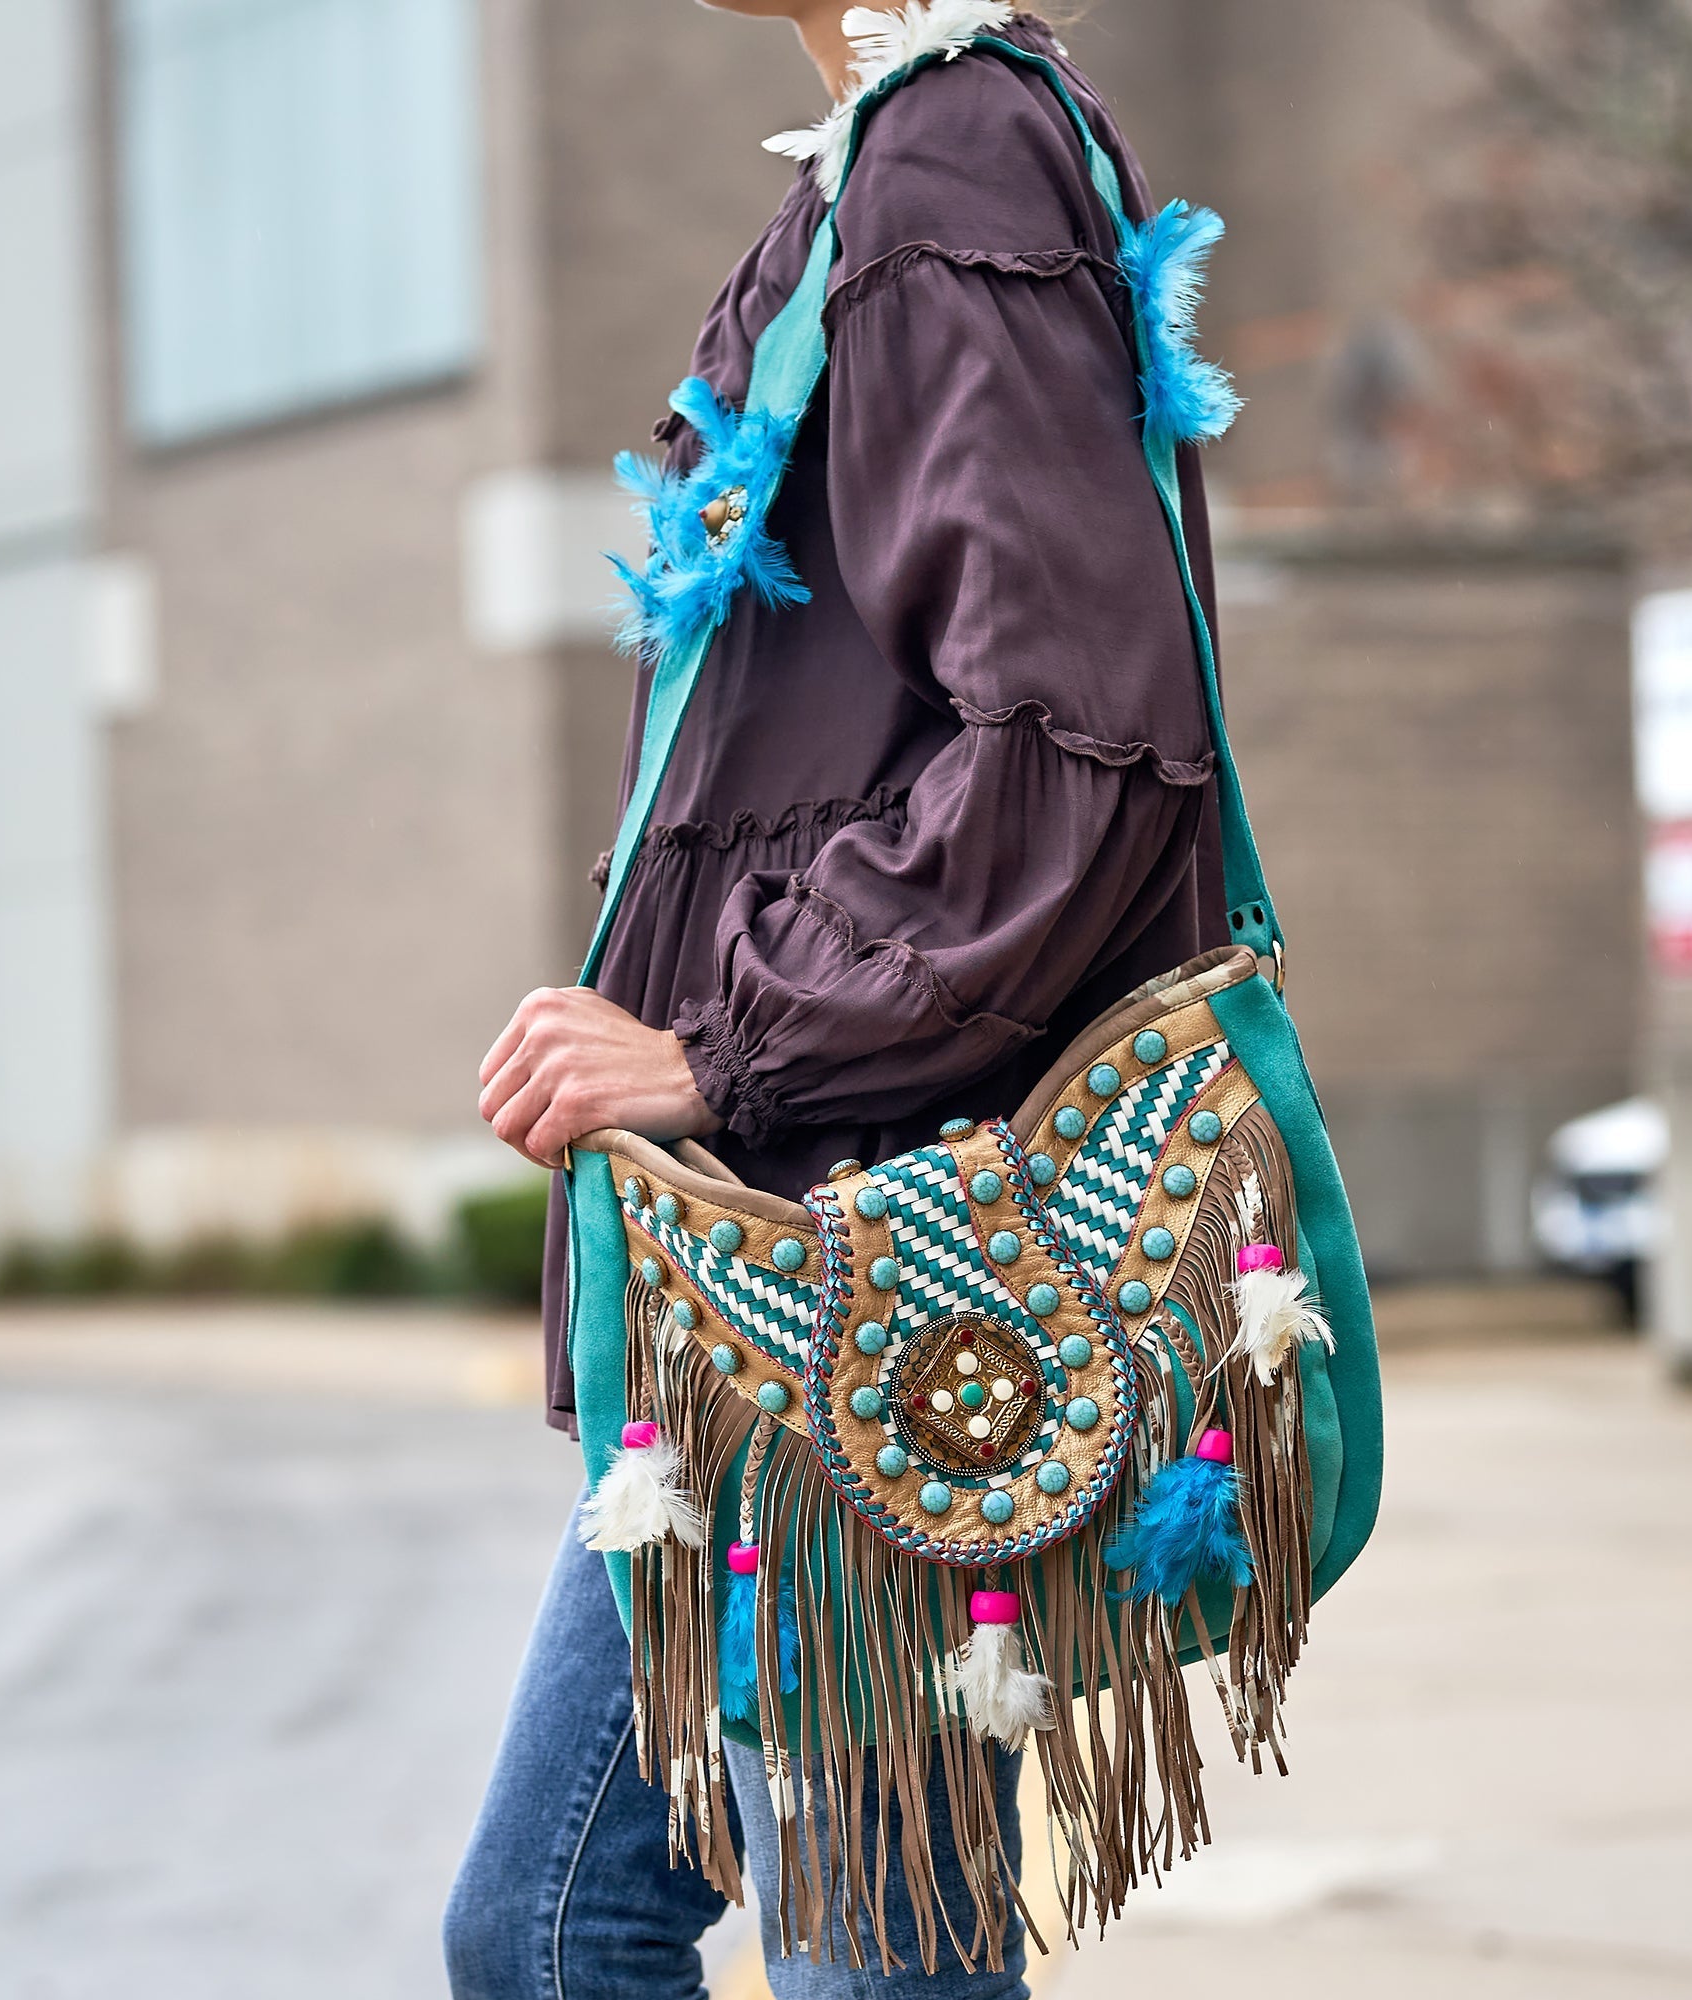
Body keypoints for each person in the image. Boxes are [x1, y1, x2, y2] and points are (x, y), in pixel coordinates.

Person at [444, 4, 1230, 1993]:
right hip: (786, 1274)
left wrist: (723, 1041)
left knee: (748, 1948)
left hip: (876, 1281)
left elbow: (1076, 737)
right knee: (559, 1931)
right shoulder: (888, 163)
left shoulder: (953, 153)